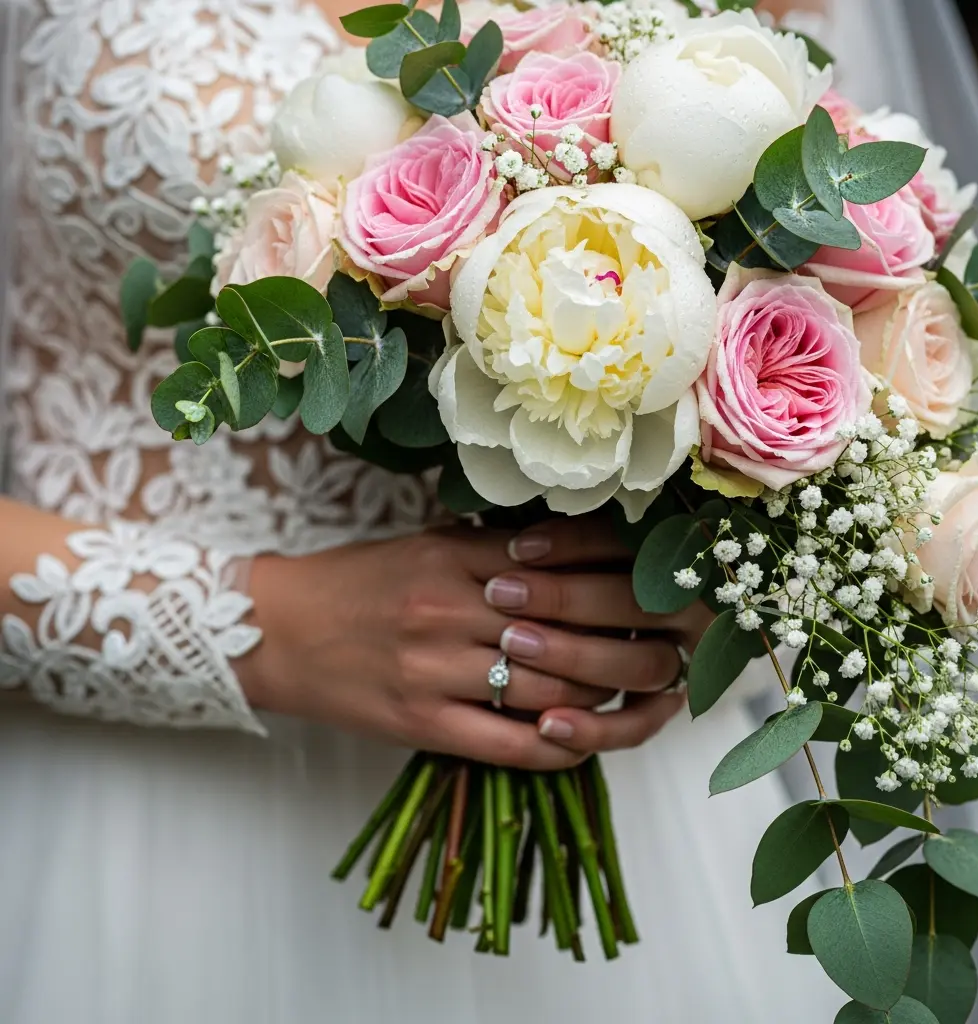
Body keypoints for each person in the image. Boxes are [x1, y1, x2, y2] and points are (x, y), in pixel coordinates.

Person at [0, 1, 885, 1021]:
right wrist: (258, 628)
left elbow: (860, 339)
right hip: (150, 818)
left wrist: (709, 569)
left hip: (640, 804)